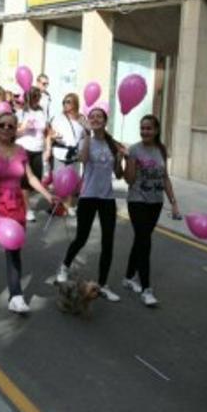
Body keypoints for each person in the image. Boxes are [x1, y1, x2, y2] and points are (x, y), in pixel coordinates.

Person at [0, 111, 56, 313]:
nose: (5, 129)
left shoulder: (21, 150)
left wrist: (48, 195)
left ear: (15, 130)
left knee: (13, 251)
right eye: (2, 125)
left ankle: (16, 296)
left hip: (16, 205)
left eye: (10, 126)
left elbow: (29, 178)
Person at [56, 103, 125, 302]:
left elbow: (118, 175)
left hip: (107, 199)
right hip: (87, 196)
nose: (95, 119)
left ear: (105, 121)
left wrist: (120, 158)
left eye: (99, 117)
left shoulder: (113, 144)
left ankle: (103, 285)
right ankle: (64, 266)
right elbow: (84, 159)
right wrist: (87, 134)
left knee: (108, 242)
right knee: (82, 238)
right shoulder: (86, 141)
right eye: (92, 117)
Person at [121, 115, 180, 307]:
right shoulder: (134, 150)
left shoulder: (161, 150)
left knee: (140, 240)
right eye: (142, 128)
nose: (145, 131)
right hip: (137, 200)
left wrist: (173, 202)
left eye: (148, 128)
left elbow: (165, 178)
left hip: (156, 202)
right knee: (145, 242)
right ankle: (147, 289)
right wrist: (129, 161)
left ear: (156, 130)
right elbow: (129, 180)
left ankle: (128, 277)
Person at [46, 93, 87, 217]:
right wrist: (52, 137)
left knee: (72, 179)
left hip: (74, 153)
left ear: (75, 104)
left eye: (68, 102)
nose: (65, 104)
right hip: (60, 152)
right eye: (64, 102)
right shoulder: (57, 118)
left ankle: (68, 205)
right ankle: (57, 206)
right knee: (58, 179)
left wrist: (82, 150)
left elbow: (85, 136)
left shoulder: (81, 119)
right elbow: (49, 133)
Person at [16, 87, 48, 222]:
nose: (36, 99)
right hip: (25, 147)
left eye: (38, 96)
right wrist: (24, 128)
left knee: (36, 179)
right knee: (25, 182)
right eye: (34, 96)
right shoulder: (21, 113)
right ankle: (27, 209)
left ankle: (22, 203)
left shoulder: (41, 111)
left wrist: (48, 147)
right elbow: (14, 132)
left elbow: (46, 130)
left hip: (38, 148)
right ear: (28, 97)